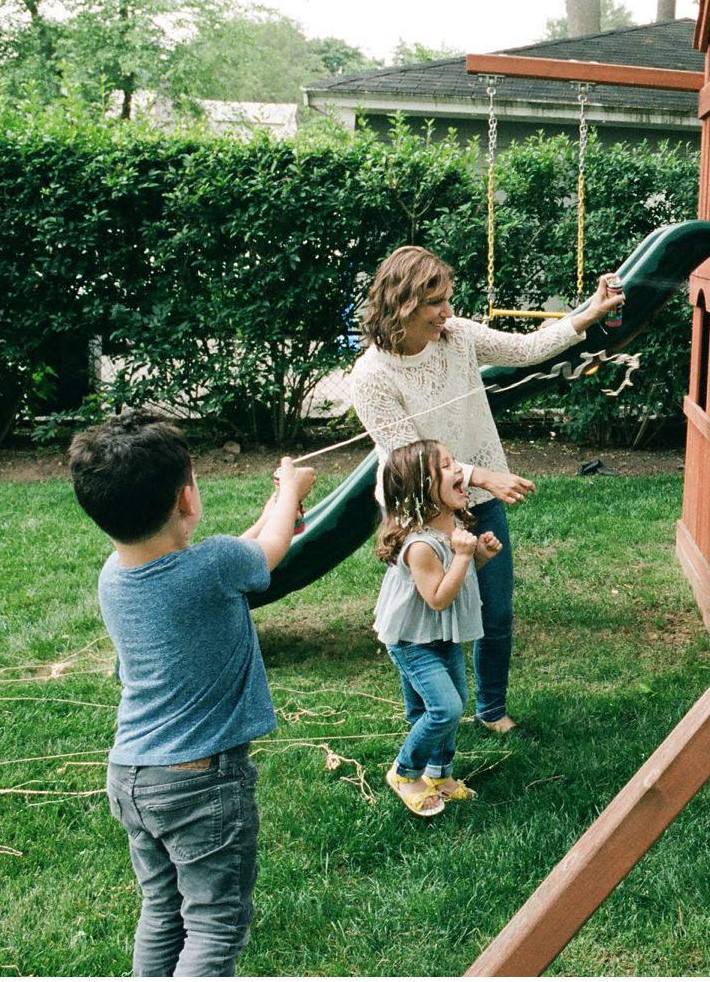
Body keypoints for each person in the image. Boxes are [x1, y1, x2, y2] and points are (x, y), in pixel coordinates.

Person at [70, 412, 315, 976]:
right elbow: (264, 550)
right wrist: (290, 489)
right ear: (188, 499)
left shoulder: (115, 574)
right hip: (200, 782)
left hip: (133, 775)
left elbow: (237, 553)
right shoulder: (213, 566)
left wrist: (276, 510)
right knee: (215, 922)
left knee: (163, 911)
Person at [348, 245, 624, 735]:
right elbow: (412, 459)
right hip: (420, 509)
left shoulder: (458, 337)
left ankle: (491, 709)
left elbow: (525, 350)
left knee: (494, 610)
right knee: (425, 616)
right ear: (404, 303)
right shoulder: (370, 376)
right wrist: (481, 475)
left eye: (448, 299)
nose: (448, 313)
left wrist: (591, 313)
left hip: (478, 499)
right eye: (436, 303)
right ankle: (425, 719)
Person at [373, 439, 500, 817]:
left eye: (453, 462)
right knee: (445, 708)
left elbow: (453, 581)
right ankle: (404, 772)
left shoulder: (455, 527)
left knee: (449, 705)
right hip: (412, 641)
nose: (458, 470)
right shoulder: (420, 546)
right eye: (445, 466)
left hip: (441, 635)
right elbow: (438, 598)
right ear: (420, 487)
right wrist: (463, 555)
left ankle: (440, 775)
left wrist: (477, 558)